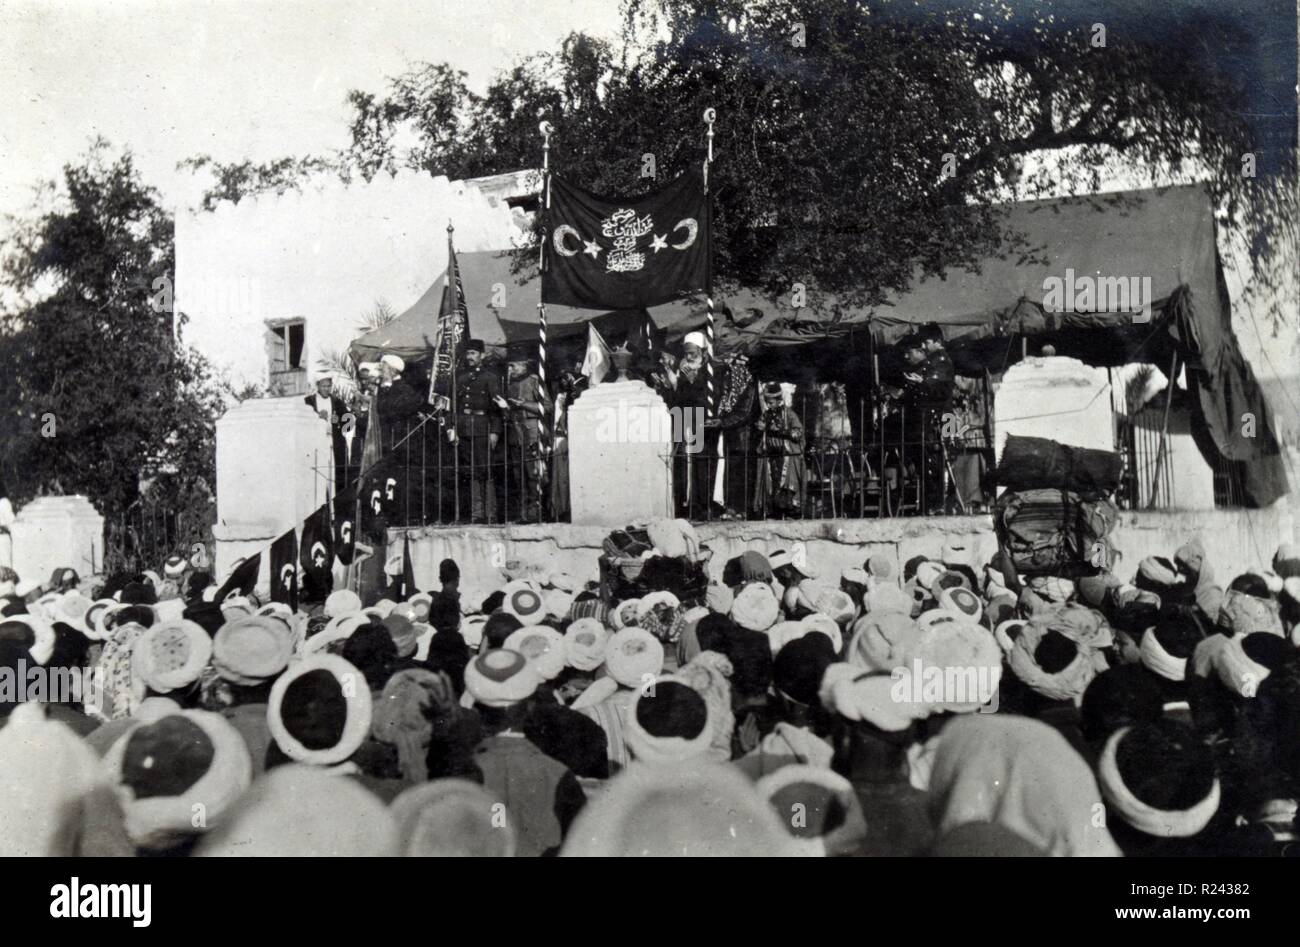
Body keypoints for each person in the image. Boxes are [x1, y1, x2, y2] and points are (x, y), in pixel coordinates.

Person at [495, 346, 551, 523]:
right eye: (509, 366)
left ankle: (537, 512)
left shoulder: (534, 381)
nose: (510, 370)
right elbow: (510, 412)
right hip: (515, 434)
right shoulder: (509, 385)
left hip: (532, 432)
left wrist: (524, 404)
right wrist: (506, 408)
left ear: (524, 366)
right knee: (519, 475)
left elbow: (547, 407)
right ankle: (524, 514)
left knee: (534, 474)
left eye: (513, 366)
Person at [451, 340, 503, 523]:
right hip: (465, 427)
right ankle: (476, 513)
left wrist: (495, 431)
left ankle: (490, 513)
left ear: (482, 355)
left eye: (473, 353)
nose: (470, 357)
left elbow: (496, 407)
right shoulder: (462, 378)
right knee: (471, 472)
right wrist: (454, 428)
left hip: (483, 427)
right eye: (468, 354)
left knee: (486, 471)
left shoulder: (490, 377)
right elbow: (456, 407)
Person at [668, 331, 717, 520]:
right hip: (683, 417)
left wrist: (693, 381)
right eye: (686, 353)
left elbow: (709, 399)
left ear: (703, 352)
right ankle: (681, 506)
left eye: (692, 353)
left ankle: (702, 506)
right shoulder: (683, 369)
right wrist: (674, 385)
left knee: (701, 463)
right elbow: (677, 399)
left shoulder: (709, 371)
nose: (688, 357)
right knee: (680, 461)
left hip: (700, 418)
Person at [753, 382, 805, 517]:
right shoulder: (765, 415)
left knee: (785, 484)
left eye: (771, 402)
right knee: (772, 483)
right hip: (770, 455)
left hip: (786, 454)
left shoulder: (790, 414)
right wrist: (759, 428)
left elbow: (797, 434)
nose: (768, 405)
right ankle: (773, 512)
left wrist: (781, 431)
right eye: (766, 402)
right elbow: (759, 431)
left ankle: (789, 511)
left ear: (779, 400)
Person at [304, 375, 351, 494]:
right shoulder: (308, 401)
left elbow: (349, 424)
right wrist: (316, 416)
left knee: (335, 474)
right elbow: (303, 423)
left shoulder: (337, 402)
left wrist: (338, 421)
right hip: (316, 443)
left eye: (329, 386)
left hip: (334, 444)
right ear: (317, 386)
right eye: (323, 386)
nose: (326, 389)